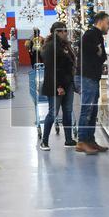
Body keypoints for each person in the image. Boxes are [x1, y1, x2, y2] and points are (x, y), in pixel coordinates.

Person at [76, 12, 109, 154]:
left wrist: (99, 52)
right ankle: (81, 141)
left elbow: (102, 56)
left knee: (93, 110)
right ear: (101, 21)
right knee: (87, 109)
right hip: (86, 77)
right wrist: (97, 52)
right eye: (108, 23)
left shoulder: (98, 37)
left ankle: (90, 140)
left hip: (92, 77)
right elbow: (86, 48)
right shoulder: (90, 35)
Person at [39, 22, 76, 151]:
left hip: (68, 83)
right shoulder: (50, 47)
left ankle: (68, 139)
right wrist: (59, 86)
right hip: (56, 85)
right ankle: (44, 142)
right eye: (64, 31)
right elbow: (52, 69)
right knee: (53, 113)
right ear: (57, 32)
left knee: (68, 111)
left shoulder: (65, 45)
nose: (66, 33)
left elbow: (69, 64)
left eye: (66, 30)